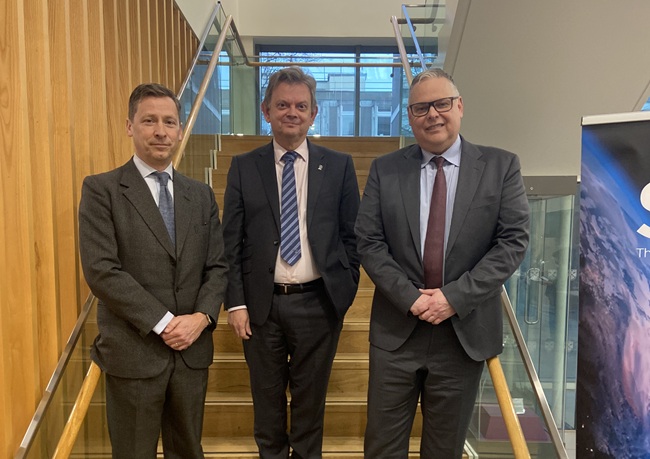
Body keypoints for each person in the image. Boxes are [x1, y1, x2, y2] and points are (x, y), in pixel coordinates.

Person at [355, 68, 530, 458]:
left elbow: (512, 243)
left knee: (444, 449)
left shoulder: (501, 167)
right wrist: (410, 298)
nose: (432, 114)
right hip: (397, 331)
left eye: (442, 103)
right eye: (420, 107)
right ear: (410, 115)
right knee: (381, 447)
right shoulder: (386, 170)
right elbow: (368, 241)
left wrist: (452, 297)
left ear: (460, 106)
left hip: (462, 333)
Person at [79, 83, 228, 458]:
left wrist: (202, 317)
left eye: (169, 122)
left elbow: (218, 266)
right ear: (130, 126)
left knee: (188, 451)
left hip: (191, 352)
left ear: (179, 130)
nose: (161, 131)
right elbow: (102, 270)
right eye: (149, 121)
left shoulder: (201, 195)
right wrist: (164, 322)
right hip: (134, 351)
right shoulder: (102, 190)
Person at [222, 66, 360, 459]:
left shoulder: (339, 166)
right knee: (266, 404)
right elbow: (229, 242)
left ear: (314, 113)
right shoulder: (243, 166)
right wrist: (235, 302)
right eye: (282, 105)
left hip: (319, 303)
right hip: (260, 306)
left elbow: (353, 237)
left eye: (301, 105)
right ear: (266, 111)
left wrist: (343, 292)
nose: (292, 112)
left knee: (309, 403)